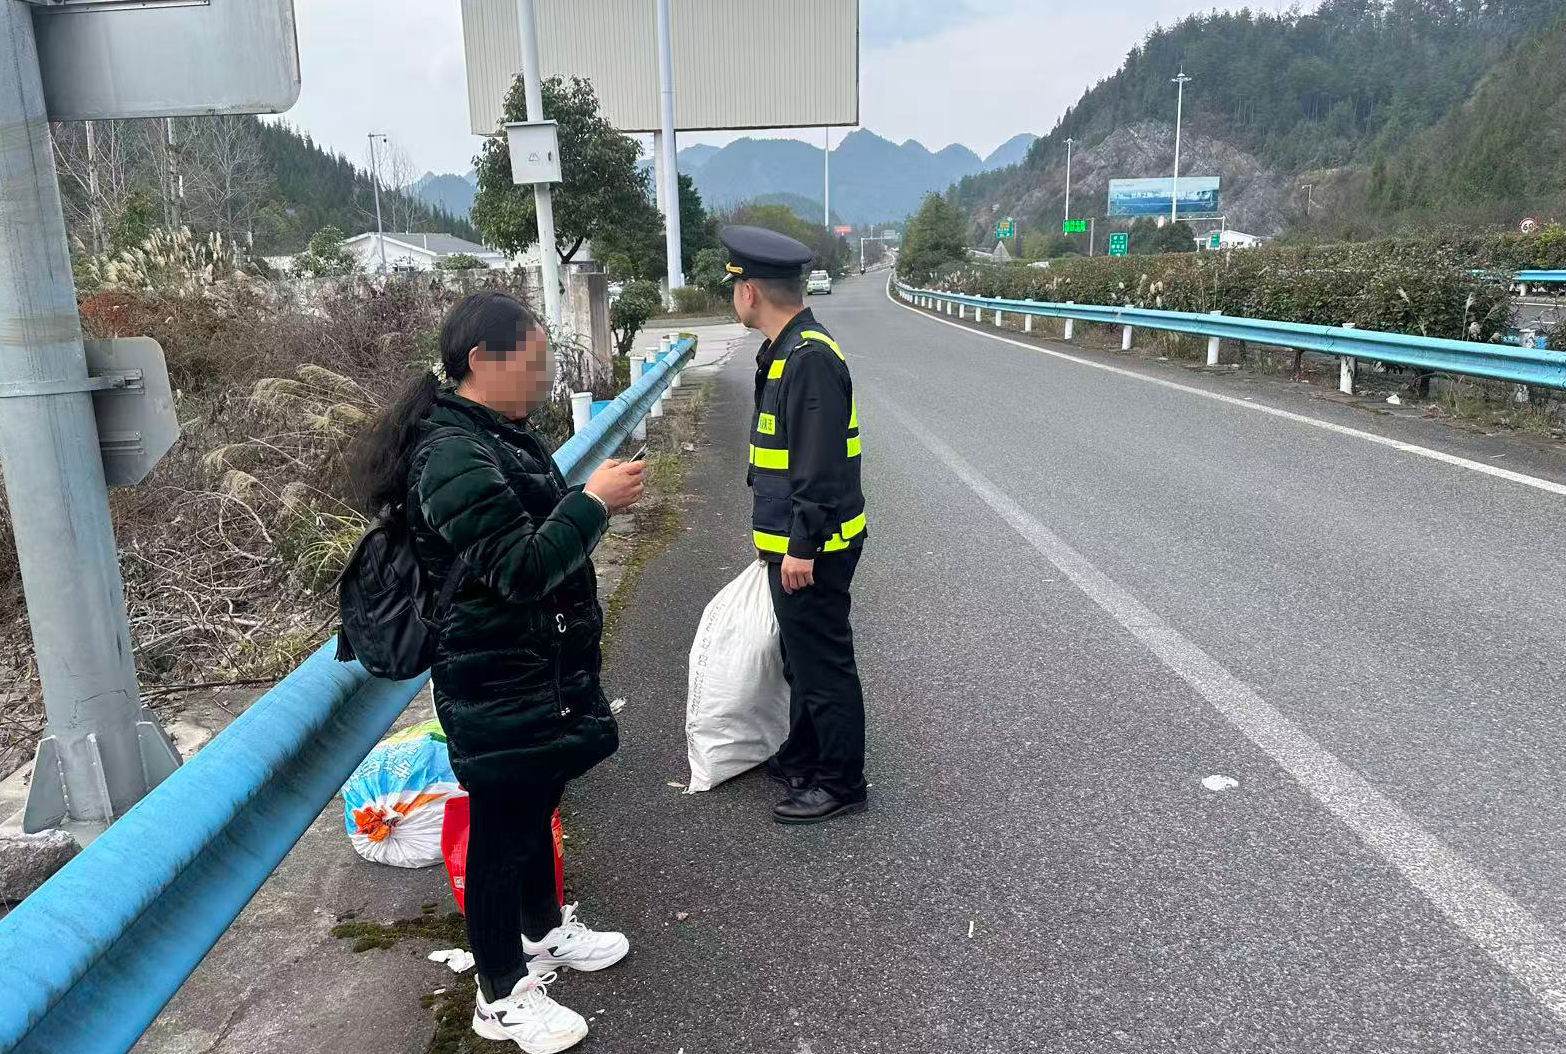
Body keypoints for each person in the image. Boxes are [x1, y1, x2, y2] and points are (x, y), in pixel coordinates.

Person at [350, 291, 645, 1053]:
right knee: (501, 833)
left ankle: (542, 931)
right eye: (534, 362)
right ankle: (500, 993)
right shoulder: (452, 453)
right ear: (483, 360)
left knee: (534, 803)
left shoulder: (495, 435)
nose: (545, 378)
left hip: (532, 667)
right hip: (494, 676)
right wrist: (593, 504)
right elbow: (520, 568)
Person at [723, 225, 870, 825]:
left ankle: (841, 781)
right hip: (798, 541)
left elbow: (819, 466)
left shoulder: (808, 359)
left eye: (734, 286)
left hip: (816, 545)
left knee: (823, 660)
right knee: (800, 656)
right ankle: (806, 753)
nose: (733, 296)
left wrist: (802, 547)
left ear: (750, 291)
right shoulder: (786, 350)